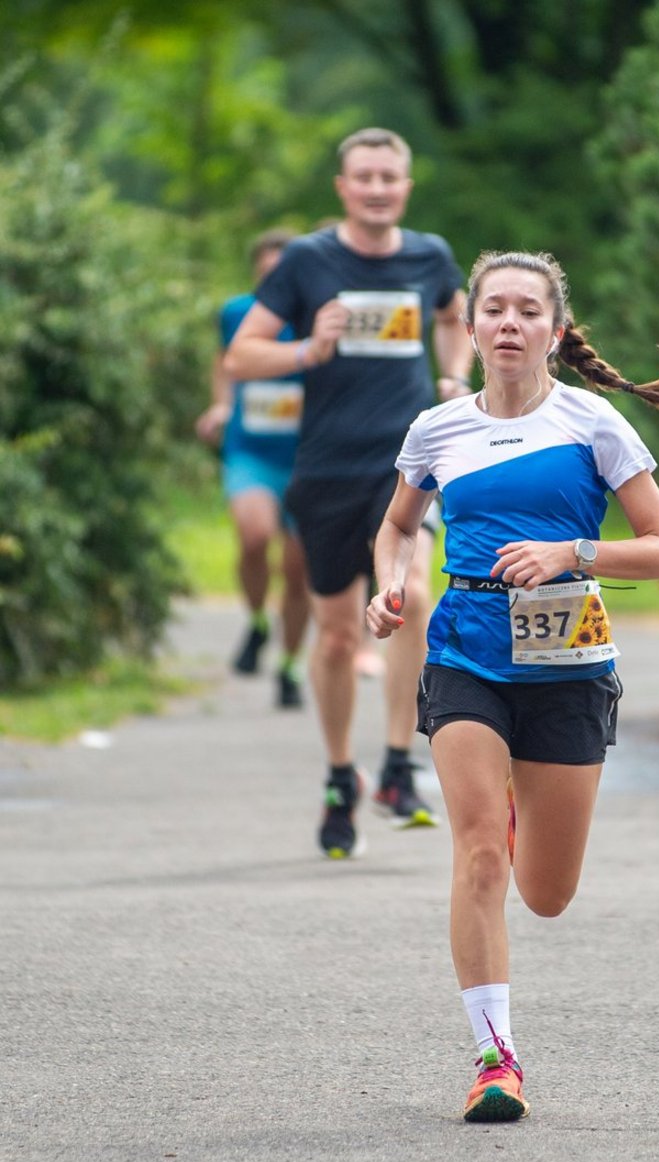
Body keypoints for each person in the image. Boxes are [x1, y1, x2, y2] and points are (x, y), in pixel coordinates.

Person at [366, 249, 659, 1121]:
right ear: (472, 327)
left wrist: (573, 552)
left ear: (555, 331)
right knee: (478, 850)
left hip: (567, 666)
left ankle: (519, 797)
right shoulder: (436, 428)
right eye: (495, 309)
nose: (509, 323)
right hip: (465, 654)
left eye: (528, 310)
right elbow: (398, 526)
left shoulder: (593, 423)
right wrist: (390, 582)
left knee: (545, 894)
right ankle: (494, 1059)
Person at [225, 128, 473, 855]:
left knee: (412, 596)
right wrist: (308, 347)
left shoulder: (429, 255)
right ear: (342, 186)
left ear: (406, 185)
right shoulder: (307, 260)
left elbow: (454, 317)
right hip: (327, 466)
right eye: (362, 177)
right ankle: (342, 776)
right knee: (336, 637)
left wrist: (453, 376)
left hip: (409, 462)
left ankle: (399, 764)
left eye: (388, 177)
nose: (375, 188)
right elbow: (242, 355)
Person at [195, 229, 310, 709]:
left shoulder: (319, 316)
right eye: (267, 274)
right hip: (251, 452)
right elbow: (224, 363)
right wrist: (221, 405)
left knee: (299, 569)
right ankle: (259, 620)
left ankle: (287, 666)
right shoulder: (237, 313)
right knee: (254, 535)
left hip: (308, 458)